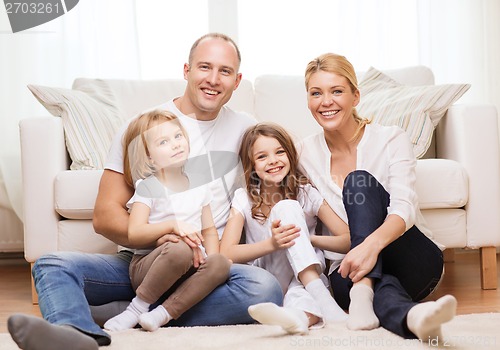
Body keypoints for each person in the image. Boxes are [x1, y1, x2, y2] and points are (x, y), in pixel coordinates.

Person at [8, 33, 283, 350]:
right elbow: (105, 214)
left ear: (237, 81)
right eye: (204, 67)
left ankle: (126, 314)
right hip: (147, 259)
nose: (213, 79)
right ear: (186, 70)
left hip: (206, 268)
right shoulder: (144, 127)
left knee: (264, 289)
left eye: (224, 71)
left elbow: (277, 173)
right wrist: (161, 235)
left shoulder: (246, 128)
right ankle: (77, 334)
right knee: (51, 265)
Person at [285, 52, 456, 341]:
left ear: (356, 96)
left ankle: (363, 288)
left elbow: (404, 209)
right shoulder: (302, 154)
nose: (325, 102)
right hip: (346, 273)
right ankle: (414, 318)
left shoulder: (391, 138)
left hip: (412, 258)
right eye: (316, 93)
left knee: (358, 182)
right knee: (381, 287)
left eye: (336, 91)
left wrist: (368, 248)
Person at [103, 110, 231, 332]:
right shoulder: (148, 186)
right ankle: (136, 309)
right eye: (163, 142)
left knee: (220, 263)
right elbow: (135, 233)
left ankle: (162, 314)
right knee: (179, 249)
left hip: (190, 265)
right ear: (149, 156)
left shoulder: (200, 184)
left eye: (178, 136)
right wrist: (172, 226)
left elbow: (209, 230)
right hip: (150, 268)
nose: (175, 144)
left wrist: (209, 258)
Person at [220, 122, 350, 335]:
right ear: (251, 165)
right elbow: (226, 252)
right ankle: (323, 297)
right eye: (262, 156)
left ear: (289, 155)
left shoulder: (306, 193)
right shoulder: (243, 199)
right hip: (268, 278)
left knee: (303, 301)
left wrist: (307, 239)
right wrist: (272, 243)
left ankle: (297, 318)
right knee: (287, 207)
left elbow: (347, 239)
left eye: (279, 152)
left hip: (302, 282)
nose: (273, 161)